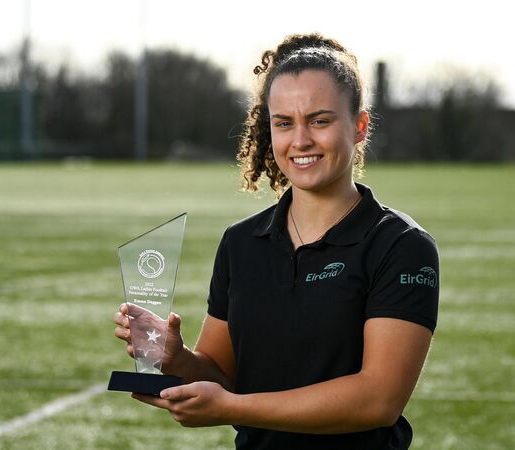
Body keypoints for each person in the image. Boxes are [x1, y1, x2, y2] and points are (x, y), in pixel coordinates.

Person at [114, 32, 439, 450]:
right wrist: (177, 359)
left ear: (360, 126)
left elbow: (377, 401)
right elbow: (220, 375)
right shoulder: (241, 243)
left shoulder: (402, 246)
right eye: (284, 123)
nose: (300, 140)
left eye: (320, 121)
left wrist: (233, 408)